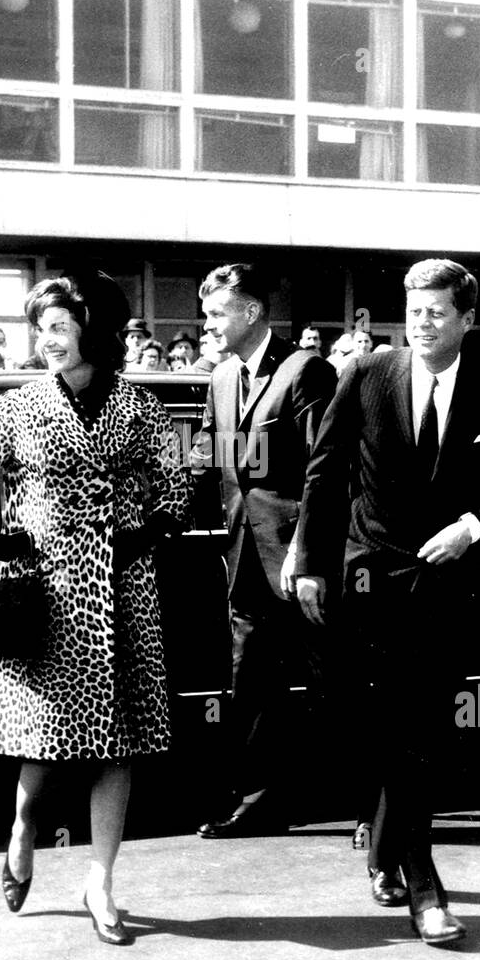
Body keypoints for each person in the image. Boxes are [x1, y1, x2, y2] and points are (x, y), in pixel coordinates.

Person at [0, 270, 188, 946]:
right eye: (39, 328)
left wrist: (152, 530)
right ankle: (23, 831)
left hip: (122, 590)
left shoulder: (140, 407)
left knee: (119, 743)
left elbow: (176, 480)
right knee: (44, 742)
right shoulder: (17, 407)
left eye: (58, 326)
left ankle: (100, 880)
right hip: (44, 592)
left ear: (92, 328)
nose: (46, 340)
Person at [295, 258, 480, 946]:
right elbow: (325, 470)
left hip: (447, 586)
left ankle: (396, 859)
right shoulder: (369, 376)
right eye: (414, 310)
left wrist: (471, 527)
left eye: (437, 312)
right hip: (369, 582)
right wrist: (309, 561)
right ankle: (419, 876)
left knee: (423, 731)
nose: (423, 323)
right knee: (389, 728)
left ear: (467, 320)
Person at [190, 263, 337, 839]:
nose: (209, 324)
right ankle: (259, 801)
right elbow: (207, 454)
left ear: (251, 312)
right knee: (251, 680)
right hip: (245, 560)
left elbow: (325, 471)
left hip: (303, 565)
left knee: (333, 683)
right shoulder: (222, 378)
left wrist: (306, 550)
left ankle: (369, 809)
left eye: (217, 313)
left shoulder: (307, 371)